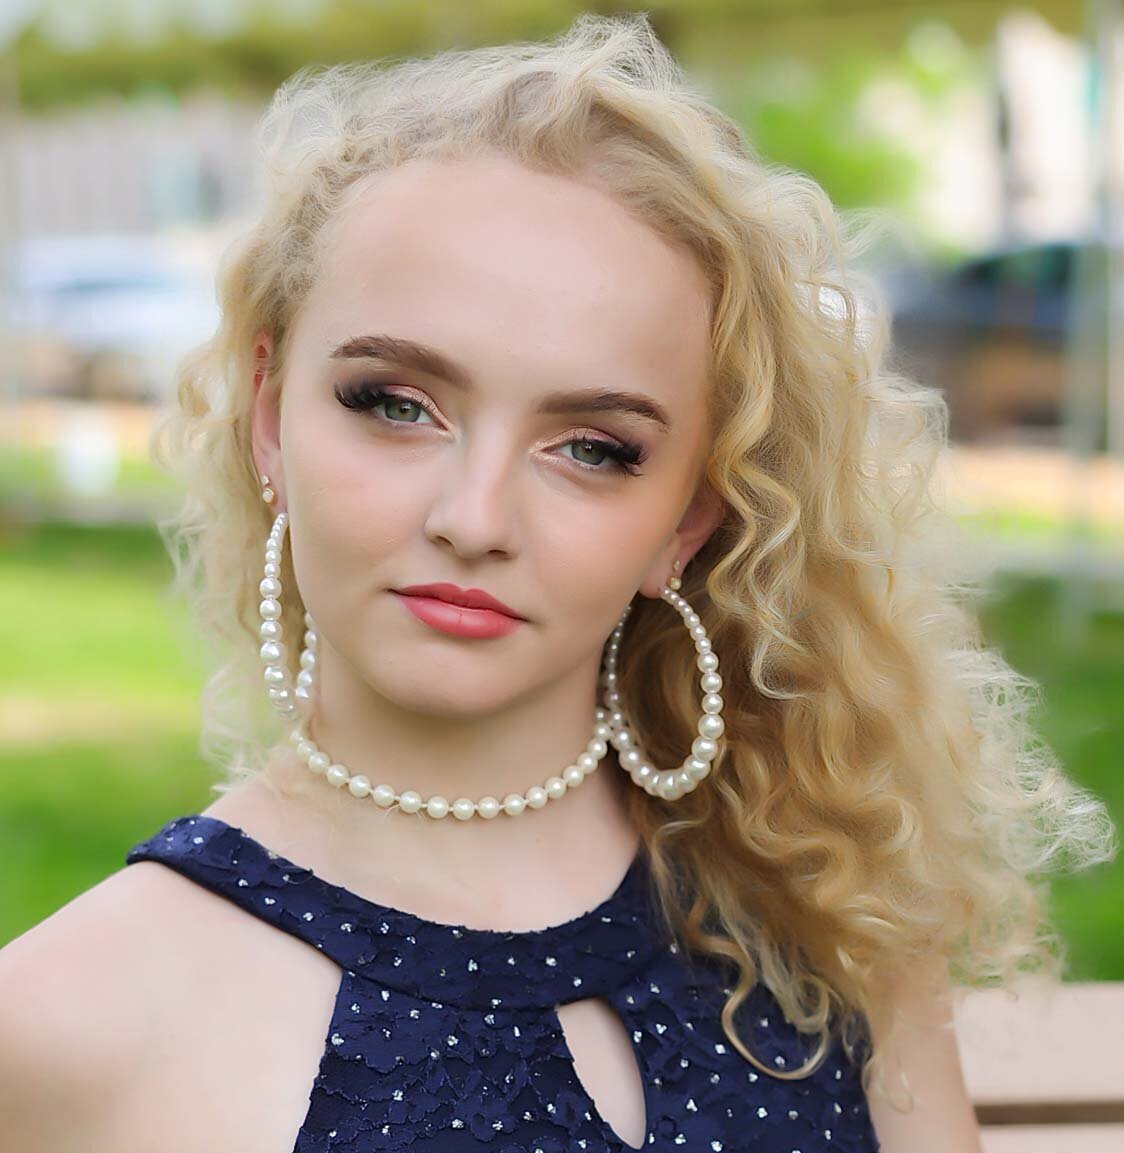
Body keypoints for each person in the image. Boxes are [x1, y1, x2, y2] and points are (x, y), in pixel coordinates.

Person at [0, 13, 1115, 1153]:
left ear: (685, 517)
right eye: (394, 403)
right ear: (268, 418)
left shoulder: (829, 919)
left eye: (592, 447)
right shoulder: (65, 1021)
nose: (472, 518)